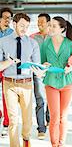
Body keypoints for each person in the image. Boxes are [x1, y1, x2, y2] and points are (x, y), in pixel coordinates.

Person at [33, 16, 72, 147]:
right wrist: (44, 65)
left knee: (63, 117)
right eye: (50, 25)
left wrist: (70, 68)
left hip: (67, 83)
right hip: (51, 83)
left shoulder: (70, 44)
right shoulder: (45, 44)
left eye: (54, 26)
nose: (50, 28)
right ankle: (54, 144)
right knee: (54, 117)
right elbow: (41, 63)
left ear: (62, 29)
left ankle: (61, 143)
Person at [0, 12, 40, 147]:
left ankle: (26, 138)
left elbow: (37, 67)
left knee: (27, 120)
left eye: (27, 26)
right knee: (13, 120)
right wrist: (10, 61)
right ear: (14, 24)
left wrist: (41, 71)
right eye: (22, 25)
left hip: (27, 84)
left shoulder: (33, 43)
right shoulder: (2, 42)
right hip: (9, 83)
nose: (24, 29)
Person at [30, 13, 51, 139]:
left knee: (51, 100)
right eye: (38, 21)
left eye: (42, 21)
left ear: (48, 23)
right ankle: (41, 128)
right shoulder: (32, 37)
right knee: (40, 100)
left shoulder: (54, 37)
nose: (39, 23)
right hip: (38, 72)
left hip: (51, 72)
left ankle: (49, 118)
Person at [0, 7, 13, 136]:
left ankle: (6, 124)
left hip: (7, 67)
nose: (7, 20)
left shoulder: (12, 34)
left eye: (9, 18)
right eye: (5, 17)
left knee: (6, 97)